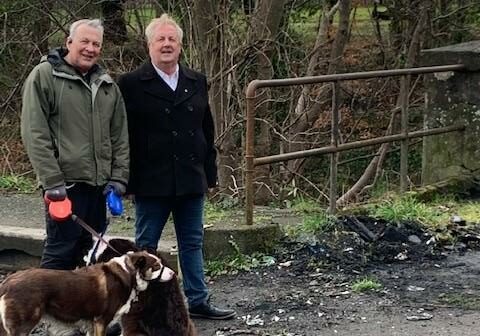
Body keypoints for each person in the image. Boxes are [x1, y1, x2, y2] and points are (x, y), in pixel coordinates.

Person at [117, 14, 235, 320]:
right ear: (149, 45)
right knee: (145, 248)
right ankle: (139, 307)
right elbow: (122, 135)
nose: (166, 44)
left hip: (190, 179)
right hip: (150, 181)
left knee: (192, 243)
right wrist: (125, 180)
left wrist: (209, 175)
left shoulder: (196, 81)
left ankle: (197, 300)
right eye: (161, 39)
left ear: (180, 45)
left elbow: (205, 131)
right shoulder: (131, 84)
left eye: (172, 39)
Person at [21, 19, 129, 271]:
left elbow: (120, 136)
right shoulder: (45, 76)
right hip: (65, 185)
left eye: (96, 44)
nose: (90, 48)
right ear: (69, 42)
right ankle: (41, 308)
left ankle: (79, 310)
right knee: (60, 250)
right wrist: (51, 181)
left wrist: (119, 178)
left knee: (90, 253)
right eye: (85, 42)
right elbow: (34, 132)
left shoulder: (107, 85)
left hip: (99, 187)